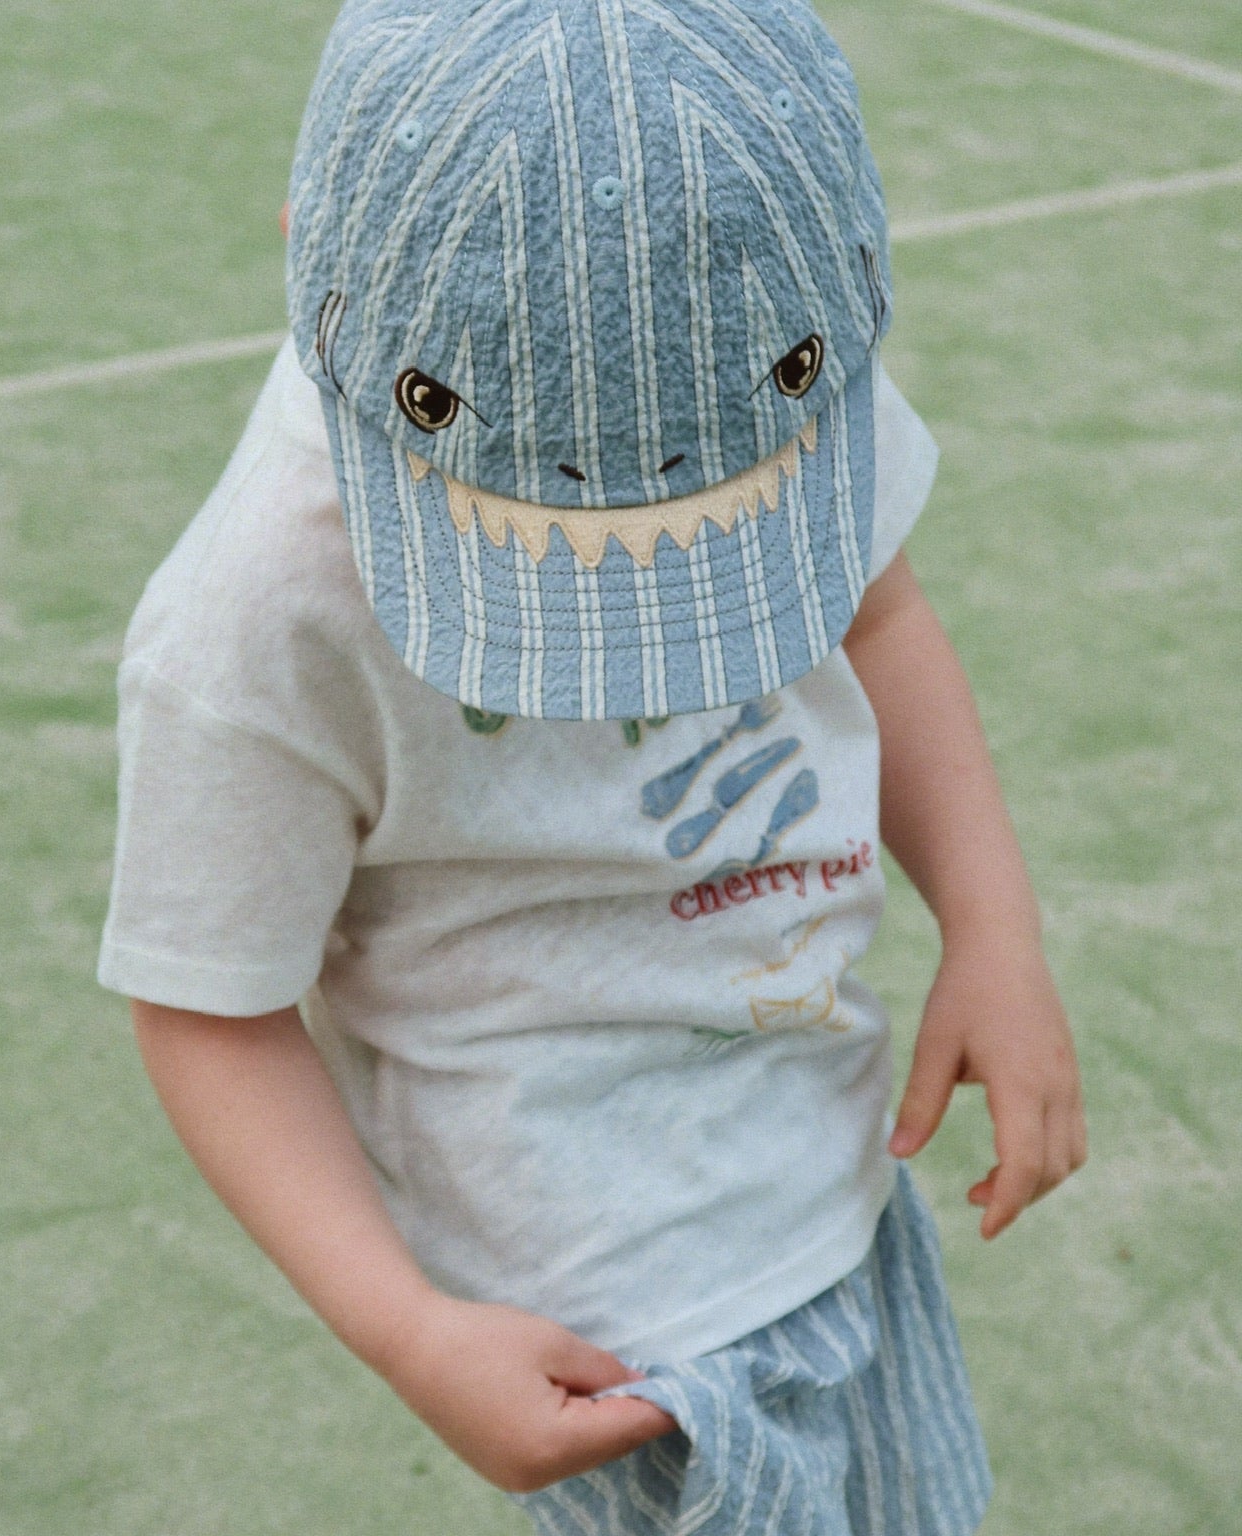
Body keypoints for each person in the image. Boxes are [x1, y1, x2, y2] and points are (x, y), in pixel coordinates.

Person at [98, 1, 1087, 1530]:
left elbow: (878, 609)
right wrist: (409, 1332)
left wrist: (994, 927)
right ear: (311, 251)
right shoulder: (255, 621)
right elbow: (209, 1012)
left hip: (830, 1165)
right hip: (605, 1328)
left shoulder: (771, 382)